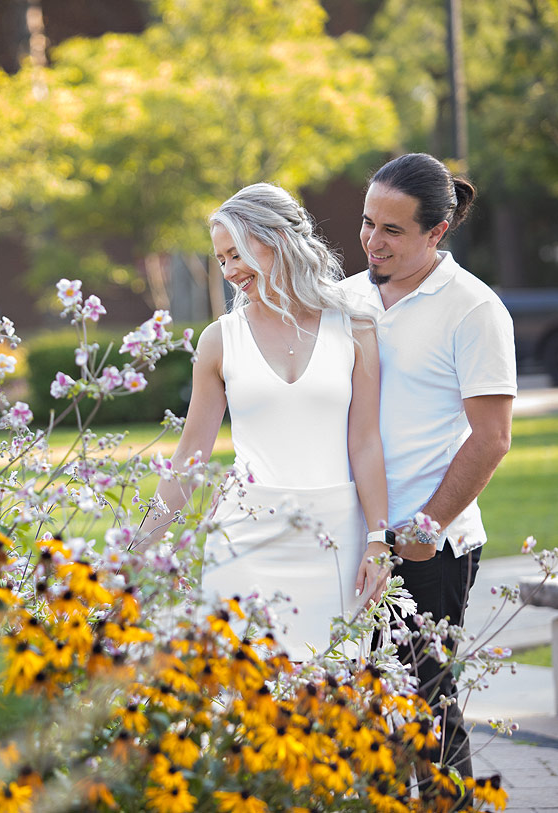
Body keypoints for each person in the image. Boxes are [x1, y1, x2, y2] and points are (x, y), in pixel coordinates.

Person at [133, 183, 390, 660]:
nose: (230, 271)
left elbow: (367, 443)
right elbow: (189, 459)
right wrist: (135, 551)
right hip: (242, 541)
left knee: (330, 697)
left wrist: (379, 541)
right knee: (237, 707)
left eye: (236, 254)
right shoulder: (219, 341)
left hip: (336, 539)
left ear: (275, 240)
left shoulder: (356, 327)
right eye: (221, 260)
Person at [341, 153, 515, 790]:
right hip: (355, 540)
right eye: (366, 223)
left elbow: (493, 438)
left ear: (437, 231)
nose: (371, 240)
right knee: (365, 719)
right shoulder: (349, 296)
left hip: (428, 547)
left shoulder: (474, 309)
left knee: (427, 720)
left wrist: (426, 525)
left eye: (392, 231)